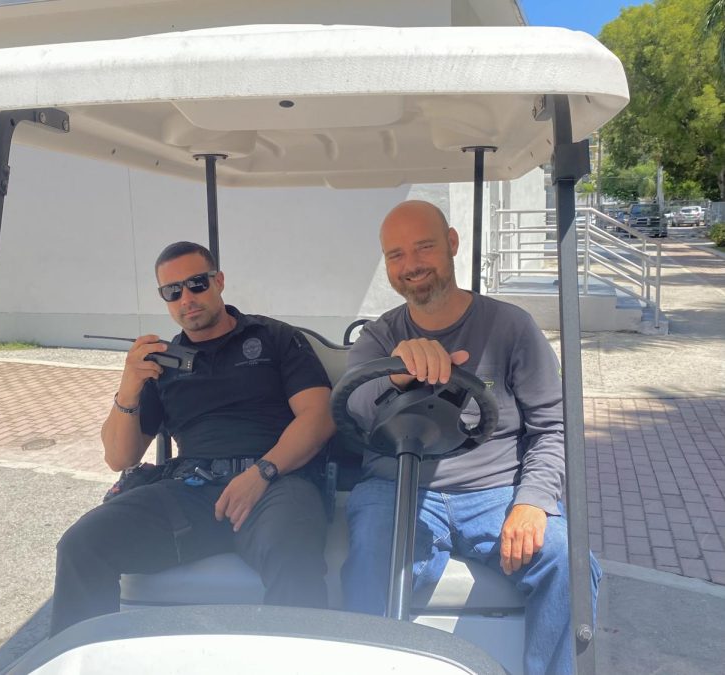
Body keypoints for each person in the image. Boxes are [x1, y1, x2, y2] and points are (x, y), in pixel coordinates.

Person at [340, 201, 600, 675]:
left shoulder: (510, 327)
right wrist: (396, 374)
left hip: (495, 491)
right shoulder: (380, 336)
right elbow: (354, 405)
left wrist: (534, 500)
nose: (411, 265)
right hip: (399, 486)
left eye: (425, 247)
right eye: (396, 255)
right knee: (371, 549)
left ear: (453, 244)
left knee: (567, 561)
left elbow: (554, 425)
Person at [50, 241, 335, 635]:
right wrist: (129, 386)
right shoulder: (163, 363)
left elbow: (319, 418)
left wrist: (262, 473)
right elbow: (119, 456)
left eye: (197, 283)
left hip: (275, 481)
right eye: (173, 291)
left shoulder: (275, 338)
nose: (186, 298)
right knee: (81, 545)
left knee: (293, 554)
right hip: (192, 489)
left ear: (218, 282)